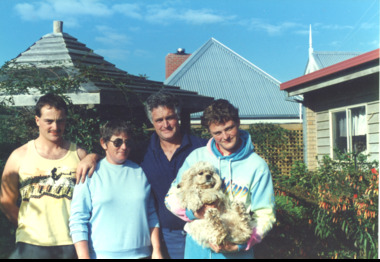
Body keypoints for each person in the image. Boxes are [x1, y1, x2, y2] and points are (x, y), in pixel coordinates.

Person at [165, 99, 276, 259]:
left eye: (229, 128)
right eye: (217, 133)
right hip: (198, 246)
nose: (225, 136)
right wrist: (195, 212)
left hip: (236, 249)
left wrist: (238, 245)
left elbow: (265, 214)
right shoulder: (196, 157)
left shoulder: (257, 166)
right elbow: (171, 198)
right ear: (209, 132)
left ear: (238, 122)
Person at [0, 93, 88, 259]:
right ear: (37, 120)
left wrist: (94, 157)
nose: (55, 126)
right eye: (49, 121)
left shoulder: (80, 155)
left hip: (71, 243)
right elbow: (6, 202)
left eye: (60, 120)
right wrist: (27, 227)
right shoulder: (19, 156)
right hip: (31, 244)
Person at [69, 120, 162, 259]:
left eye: (128, 142)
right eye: (117, 142)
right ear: (104, 143)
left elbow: (151, 214)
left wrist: (157, 250)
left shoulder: (140, 172)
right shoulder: (89, 173)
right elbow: (78, 219)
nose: (124, 147)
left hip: (143, 255)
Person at [140, 90, 208, 259]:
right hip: (164, 237)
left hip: (200, 231)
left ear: (177, 117)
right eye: (159, 120)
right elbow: (114, 158)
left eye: (169, 117)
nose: (166, 124)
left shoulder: (202, 148)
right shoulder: (141, 152)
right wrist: (90, 157)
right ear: (152, 122)